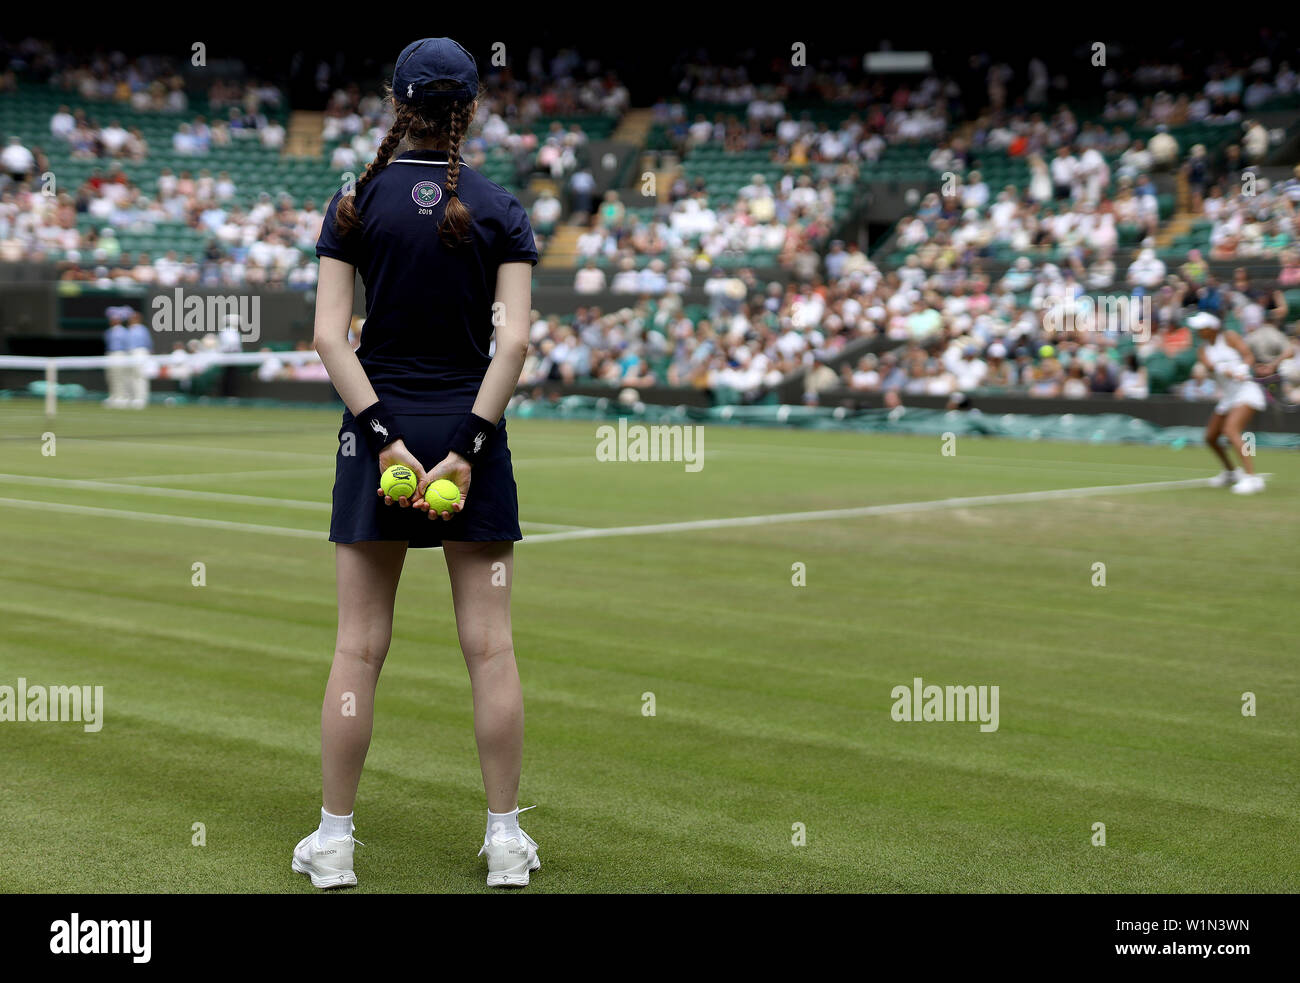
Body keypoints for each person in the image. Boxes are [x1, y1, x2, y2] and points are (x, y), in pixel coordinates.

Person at [299, 38, 540, 890]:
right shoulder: (501, 205)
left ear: (398, 101)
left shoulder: (355, 200)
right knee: (491, 648)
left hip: (377, 437)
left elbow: (330, 337)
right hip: (472, 432)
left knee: (358, 650)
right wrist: (467, 450)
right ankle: (505, 840)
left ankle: (333, 842)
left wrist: (383, 440)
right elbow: (512, 344)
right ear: (467, 106)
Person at [1191, 312, 1266, 494]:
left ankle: (1251, 478)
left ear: (1212, 328)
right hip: (1228, 397)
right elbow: (1209, 366)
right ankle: (1231, 473)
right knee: (1210, 437)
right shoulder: (1202, 350)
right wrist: (1225, 370)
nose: (1199, 332)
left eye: (1202, 328)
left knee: (1231, 430)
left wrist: (1241, 368)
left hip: (1246, 391)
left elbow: (1248, 356)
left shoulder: (1229, 337)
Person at [123, 308, 153, 409]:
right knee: (130, 376)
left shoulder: (142, 329)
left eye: (133, 318)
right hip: (129, 354)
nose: (131, 319)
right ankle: (131, 397)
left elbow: (148, 344)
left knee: (139, 376)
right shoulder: (129, 330)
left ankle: (141, 398)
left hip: (140, 353)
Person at [102, 306, 130, 408]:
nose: (113, 321)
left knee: (120, 376)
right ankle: (113, 396)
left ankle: (122, 397)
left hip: (121, 355)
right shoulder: (108, 332)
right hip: (110, 354)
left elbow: (127, 345)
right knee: (111, 376)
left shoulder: (124, 332)